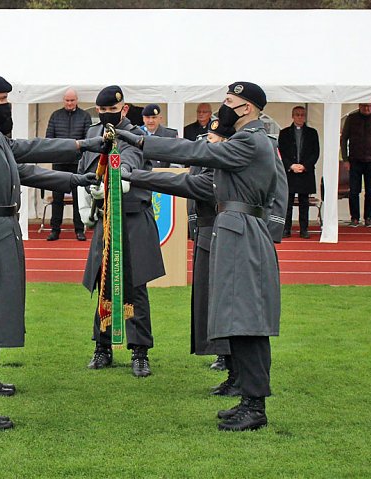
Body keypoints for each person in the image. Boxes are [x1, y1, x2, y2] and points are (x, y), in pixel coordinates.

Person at [114, 81, 281, 432]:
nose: (223, 107)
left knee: (247, 321)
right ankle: (247, 397)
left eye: (229, 102)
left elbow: (196, 153)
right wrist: (135, 176)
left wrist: (139, 140)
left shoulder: (250, 141)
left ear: (246, 108)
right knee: (237, 318)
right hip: (233, 230)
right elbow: (196, 185)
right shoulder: (242, 146)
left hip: (243, 233)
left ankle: (255, 405)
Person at [0, 72, 103, 430]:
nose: (7, 108)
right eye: (2, 102)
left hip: (0, 233)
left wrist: (80, 152)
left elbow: (28, 157)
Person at [119, 120, 237, 394]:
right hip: (208, 230)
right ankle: (227, 364)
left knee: (227, 300)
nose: (210, 140)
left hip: (228, 231)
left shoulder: (230, 158)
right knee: (208, 300)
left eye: (215, 136)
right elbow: (190, 176)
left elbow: (190, 183)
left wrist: (133, 176)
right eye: (209, 135)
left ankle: (234, 366)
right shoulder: (207, 154)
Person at [77, 86, 165, 378]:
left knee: (135, 283)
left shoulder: (133, 136)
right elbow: (87, 168)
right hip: (106, 220)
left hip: (133, 218)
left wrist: (118, 176)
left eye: (112, 112)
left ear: (124, 109)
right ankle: (102, 347)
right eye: (101, 113)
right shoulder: (96, 137)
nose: (107, 117)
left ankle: (140, 351)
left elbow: (129, 161)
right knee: (105, 281)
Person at [45, 88, 92, 242]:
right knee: (57, 199)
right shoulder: (55, 116)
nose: (70, 103)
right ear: (63, 100)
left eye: (72, 100)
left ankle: (79, 230)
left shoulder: (85, 116)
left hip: (77, 164)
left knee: (79, 198)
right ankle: (55, 230)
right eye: (67, 100)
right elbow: (49, 139)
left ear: (76, 100)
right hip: (59, 163)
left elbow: (88, 139)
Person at [340, 103, 371, 227]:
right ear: (359, 106)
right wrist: (345, 159)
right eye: (364, 106)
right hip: (354, 160)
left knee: (370, 191)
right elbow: (344, 138)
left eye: (369, 106)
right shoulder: (351, 118)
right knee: (354, 191)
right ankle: (354, 218)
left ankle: (368, 218)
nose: (366, 108)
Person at [278, 106, 319, 238]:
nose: (300, 117)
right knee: (287, 203)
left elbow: (315, 153)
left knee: (304, 203)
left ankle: (304, 229)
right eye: (297, 115)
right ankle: (286, 229)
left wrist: (304, 166)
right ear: (293, 116)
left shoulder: (312, 133)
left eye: (302, 115)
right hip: (290, 172)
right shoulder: (284, 133)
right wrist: (291, 165)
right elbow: (281, 153)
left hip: (305, 172)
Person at [141, 103, 179, 168]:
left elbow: (177, 159)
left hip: (164, 175)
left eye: (154, 117)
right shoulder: (136, 134)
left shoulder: (170, 135)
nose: (151, 121)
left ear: (160, 118)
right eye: (148, 117)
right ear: (143, 119)